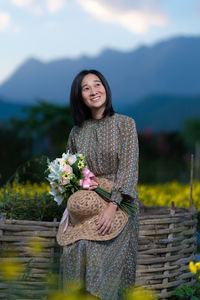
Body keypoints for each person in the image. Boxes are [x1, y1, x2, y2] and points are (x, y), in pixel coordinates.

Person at [57, 69, 139, 300]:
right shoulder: (76, 132)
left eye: (97, 84)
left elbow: (129, 167)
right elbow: (70, 169)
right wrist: (74, 191)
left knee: (95, 249)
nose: (94, 91)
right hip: (89, 203)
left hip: (120, 202)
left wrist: (113, 206)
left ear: (106, 88)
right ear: (79, 96)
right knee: (74, 246)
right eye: (86, 88)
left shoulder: (125, 124)